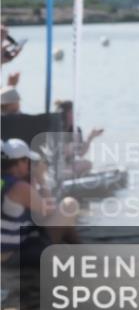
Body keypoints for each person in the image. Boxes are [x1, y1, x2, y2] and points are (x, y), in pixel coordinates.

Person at [1, 138, 78, 268]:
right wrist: (42, 178)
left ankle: (80, 248)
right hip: (11, 258)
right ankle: (82, 249)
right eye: (28, 161)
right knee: (69, 205)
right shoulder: (20, 187)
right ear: (20, 162)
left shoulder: (4, 182)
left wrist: (33, 183)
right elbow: (49, 211)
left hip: (9, 249)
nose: (30, 165)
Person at [54, 100, 103, 177]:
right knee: (65, 172)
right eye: (73, 112)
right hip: (55, 166)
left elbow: (81, 153)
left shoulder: (76, 129)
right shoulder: (56, 129)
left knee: (88, 164)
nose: (77, 115)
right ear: (66, 114)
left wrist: (90, 137)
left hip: (68, 165)